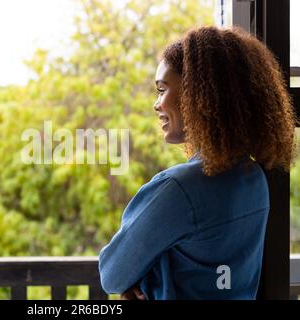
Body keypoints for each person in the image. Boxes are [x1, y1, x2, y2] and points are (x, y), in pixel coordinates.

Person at [98, 26, 298, 300]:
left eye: (162, 89)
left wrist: (145, 280)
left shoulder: (178, 190)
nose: (157, 104)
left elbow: (112, 274)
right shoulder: (254, 179)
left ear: (197, 95)